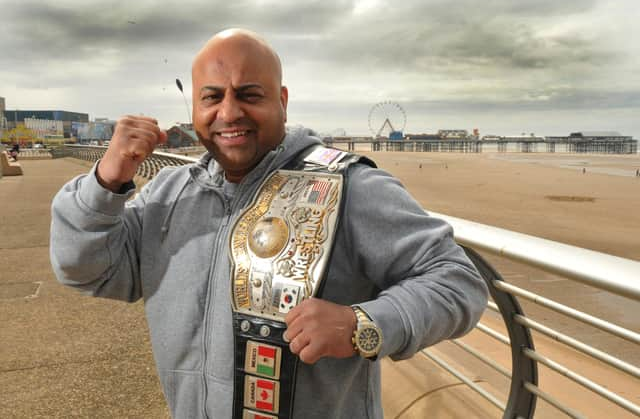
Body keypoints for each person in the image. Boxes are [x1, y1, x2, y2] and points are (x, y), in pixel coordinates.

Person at [50, 29, 488, 419]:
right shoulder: (169, 193)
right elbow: (85, 269)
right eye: (212, 96)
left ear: (281, 100)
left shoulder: (349, 186)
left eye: (249, 94)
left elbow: (457, 281)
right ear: (195, 106)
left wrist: (363, 325)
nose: (228, 112)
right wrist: (105, 182)